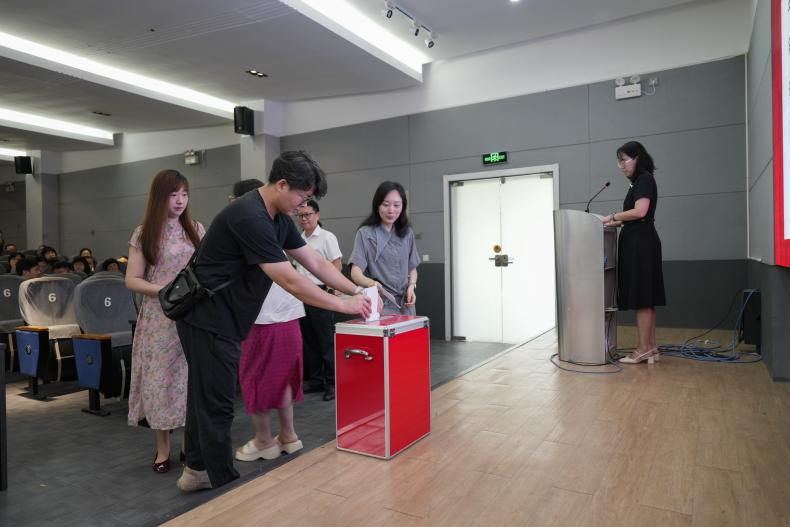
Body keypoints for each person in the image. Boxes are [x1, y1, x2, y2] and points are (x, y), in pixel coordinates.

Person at [174, 151, 373, 492]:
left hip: (222, 317)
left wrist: (357, 290)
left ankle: (196, 470)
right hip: (206, 317)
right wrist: (343, 305)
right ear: (282, 185)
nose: (302, 206)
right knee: (216, 402)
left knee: (205, 397)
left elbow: (315, 262)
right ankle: (220, 484)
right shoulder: (249, 215)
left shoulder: (277, 217)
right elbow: (290, 280)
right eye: (301, 197)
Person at [125, 169, 205, 474]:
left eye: (184, 194)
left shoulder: (196, 229)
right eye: (173, 194)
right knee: (160, 383)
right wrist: (167, 291)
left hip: (192, 314)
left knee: (189, 381)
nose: (180, 200)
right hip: (160, 316)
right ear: (160, 197)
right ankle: (162, 449)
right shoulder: (144, 233)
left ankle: (188, 446)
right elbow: (132, 280)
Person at [232, 180, 306, 462]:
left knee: (256, 376)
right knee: (283, 376)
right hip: (289, 313)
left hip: (262, 317)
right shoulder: (276, 225)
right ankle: (288, 435)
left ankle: (264, 440)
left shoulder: (249, 226)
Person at [602, 141, 666, 364]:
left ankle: (643, 349)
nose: (620, 166)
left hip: (641, 244)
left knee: (642, 298)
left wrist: (612, 216)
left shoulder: (644, 179)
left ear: (637, 157)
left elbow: (640, 212)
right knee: (646, 298)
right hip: (641, 240)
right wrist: (615, 223)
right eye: (618, 161)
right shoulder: (639, 182)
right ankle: (651, 347)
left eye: (623, 160)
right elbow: (636, 217)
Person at [295, 199, 342, 401]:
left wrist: (331, 290)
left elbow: (337, 265)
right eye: (300, 215)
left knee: (325, 340)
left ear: (317, 215)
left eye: (308, 214)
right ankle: (315, 381)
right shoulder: (298, 238)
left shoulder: (326, 237)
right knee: (308, 340)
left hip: (321, 291)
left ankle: (332, 383)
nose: (304, 219)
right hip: (302, 294)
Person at [349, 181, 420, 315]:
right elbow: (355, 273)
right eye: (386, 204)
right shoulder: (365, 234)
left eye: (396, 205)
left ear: (403, 206)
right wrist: (371, 283)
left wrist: (411, 286)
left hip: (406, 304)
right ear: (377, 206)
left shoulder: (407, 233)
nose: (391, 210)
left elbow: (412, 268)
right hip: (380, 304)